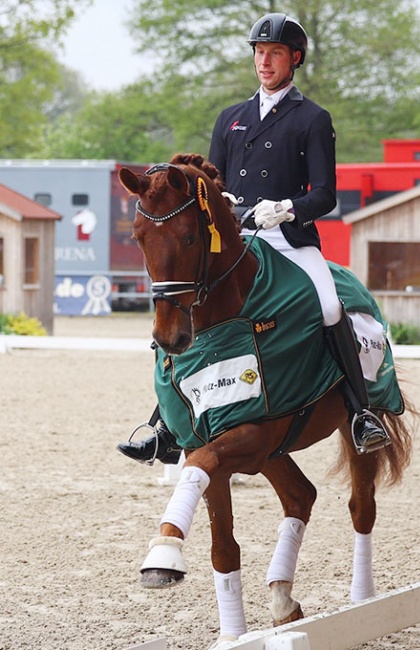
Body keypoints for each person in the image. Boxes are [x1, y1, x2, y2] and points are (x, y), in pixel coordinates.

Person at [117, 12, 390, 465]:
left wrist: (285, 208)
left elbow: (325, 195)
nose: (265, 62)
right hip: (238, 239)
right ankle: (165, 426)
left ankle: (361, 414)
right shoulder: (231, 118)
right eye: (260, 53)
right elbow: (212, 183)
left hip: (289, 240)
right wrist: (226, 206)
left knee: (329, 306)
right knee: (188, 308)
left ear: (294, 59)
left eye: (275, 53)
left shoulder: (313, 119)